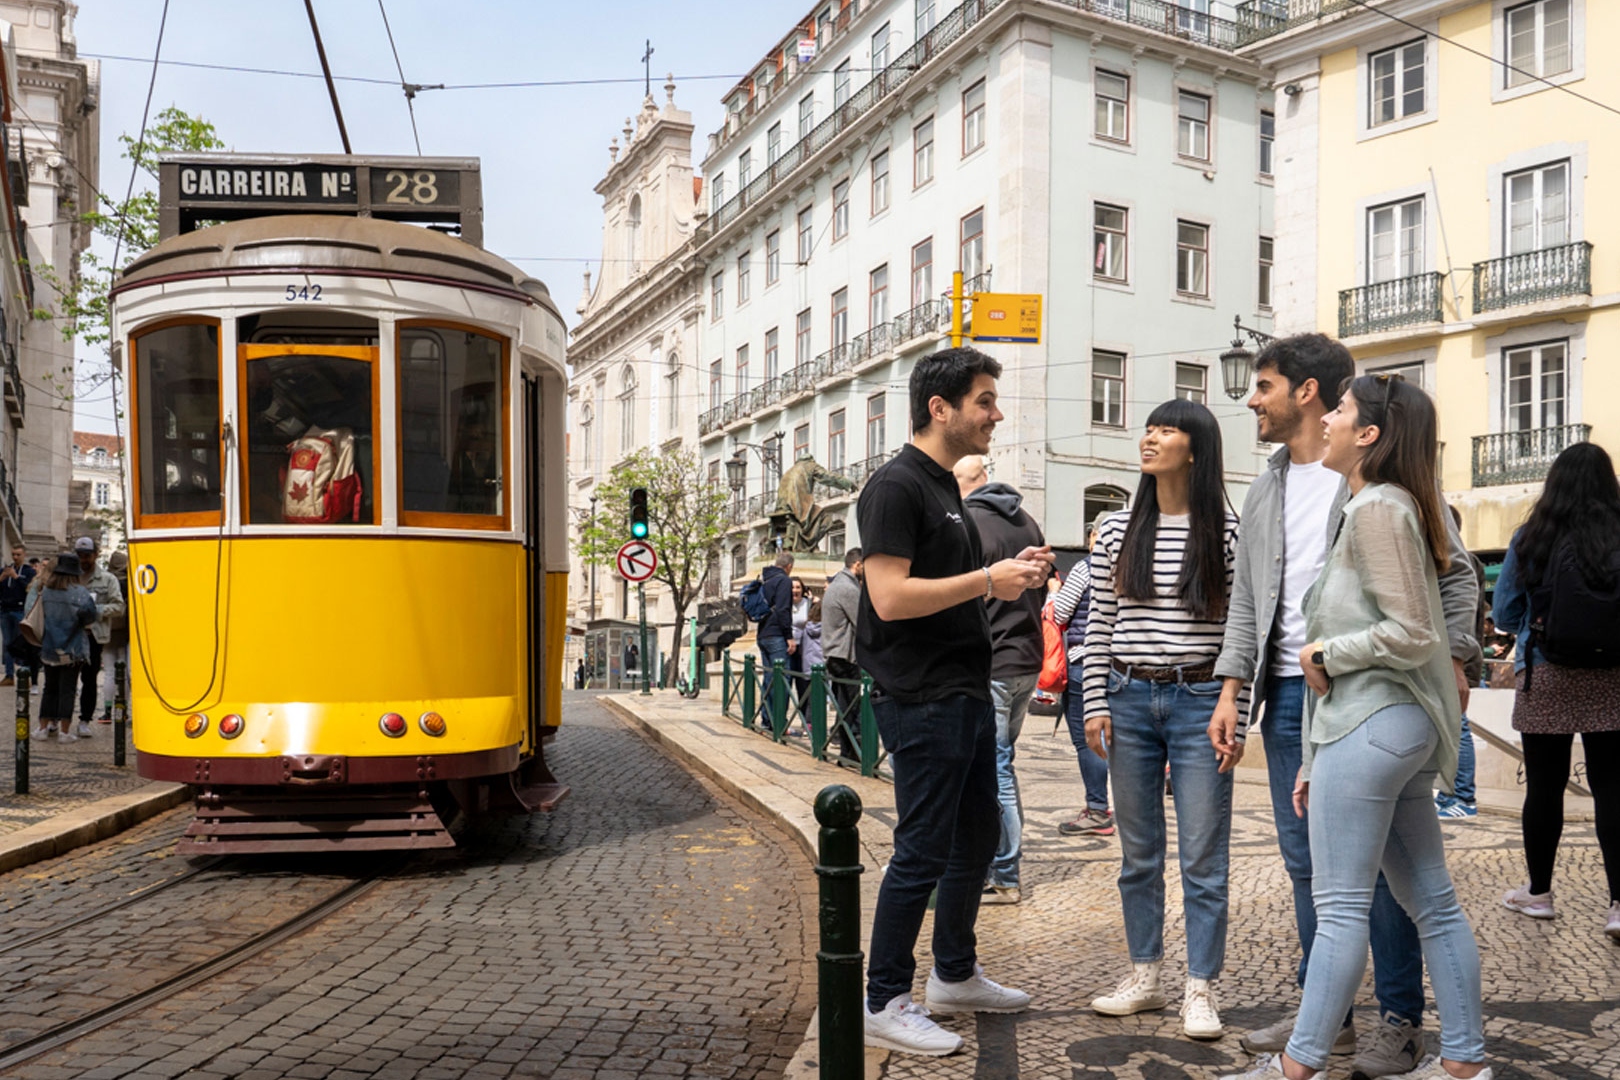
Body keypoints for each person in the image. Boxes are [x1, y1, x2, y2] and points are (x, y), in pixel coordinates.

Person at [1209, 335, 1480, 1078]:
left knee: (1347, 899)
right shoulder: (1271, 485)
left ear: (1314, 397)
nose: (1252, 399)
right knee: (1350, 879)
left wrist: (1445, 660)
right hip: (1316, 701)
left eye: (1262, 385)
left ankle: (1354, 1039)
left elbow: (1437, 598)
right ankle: (1441, 1057)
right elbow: (1249, 602)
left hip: (1361, 697)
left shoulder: (1372, 499)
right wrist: (1237, 687)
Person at [858, 346, 1050, 1056]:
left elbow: (955, 583)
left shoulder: (945, 489)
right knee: (923, 847)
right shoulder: (896, 487)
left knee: (974, 838)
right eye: (984, 400)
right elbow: (888, 595)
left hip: (965, 689)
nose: (996, 414)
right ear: (939, 408)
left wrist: (1010, 575)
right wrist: (986, 580)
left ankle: (955, 973)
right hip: (923, 695)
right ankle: (882, 997)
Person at [1082, 398, 1243, 1042]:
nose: (1149, 437)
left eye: (1166, 429)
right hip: (1127, 696)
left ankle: (1200, 987)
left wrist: (1237, 702)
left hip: (1201, 700)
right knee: (1138, 853)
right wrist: (1094, 698)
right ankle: (1145, 974)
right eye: (1147, 427)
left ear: (1196, 450)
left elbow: (1240, 628)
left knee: (1204, 855)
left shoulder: (1227, 533)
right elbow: (1099, 622)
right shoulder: (1118, 528)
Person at [1491, 441, 1620, 940]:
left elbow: (1503, 616)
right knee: (1614, 788)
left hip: (1546, 673)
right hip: (1614, 678)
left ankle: (1539, 893)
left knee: (1544, 786)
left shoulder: (1533, 536)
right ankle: (1617, 904)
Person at [957, 454, 1048, 905]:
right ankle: (990, 863)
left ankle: (1005, 874)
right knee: (1000, 761)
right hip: (1026, 659)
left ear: (962, 482)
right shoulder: (1027, 522)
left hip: (990, 660)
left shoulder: (968, 523)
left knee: (996, 768)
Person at [1055, 513, 1113, 837]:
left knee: (1088, 740)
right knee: (1109, 738)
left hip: (1083, 662)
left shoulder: (1085, 568)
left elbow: (1061, 611)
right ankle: (1103, 806)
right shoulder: (1128, 568)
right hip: (1116, 665)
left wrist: (1052, 597)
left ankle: (1097, 809)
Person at [1435, 506, 1482, 820]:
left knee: (1457, 724)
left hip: (1454, 655)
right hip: (1454, 654)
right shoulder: (1468, 561)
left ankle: (1462, 796)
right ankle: (1452, 793)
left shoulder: (1461, 563)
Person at [26, 553, 96, 741]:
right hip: (73, 649)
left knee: (49, 688)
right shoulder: (81, 593)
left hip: (49, 647)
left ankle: (42, 728)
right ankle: (65, 731)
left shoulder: (46, 591)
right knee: (68, 690)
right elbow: (90, 616)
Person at [74, 537, 124, 739]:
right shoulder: (69, 577)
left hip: (94, 635)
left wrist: (97, 610)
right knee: (67, 680)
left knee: (89, 679)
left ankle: (85, 720)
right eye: (79, 555)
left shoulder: (107, 579)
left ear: (95, 555)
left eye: (87, 555)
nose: (83, 560)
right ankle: (61, 721)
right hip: (71, 635)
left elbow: (119, 607)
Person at [821, 547, 864, 763]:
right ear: (857, 565)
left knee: (844, 704)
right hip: (844, 655)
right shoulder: (848, 588)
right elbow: (862, 622)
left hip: (832, 654)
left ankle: (846, 753)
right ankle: (852, 753)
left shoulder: (836, 584)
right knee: (852, 705)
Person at [755, 552, 794, 730]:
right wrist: (789, 636)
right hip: (777, 635)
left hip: (762, 634)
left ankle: (767, 720)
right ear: (789, 567)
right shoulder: (784, 581)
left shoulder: (765, 579)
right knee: (782, 679)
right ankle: (779, 722)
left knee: (769, 678)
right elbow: (784, 610)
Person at [98, 550, 130, 721]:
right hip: (127, 631)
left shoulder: (106, 581)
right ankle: (123, 710)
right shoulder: (130, 582)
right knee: (124, 672)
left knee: (109, 671)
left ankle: (108, 711)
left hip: (108, 630)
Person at [0, 543, 35, 685]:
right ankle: (9, 675)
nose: (15, 557)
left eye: (18, 555)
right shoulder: (4, 570)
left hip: (20, 610)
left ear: (24, 555)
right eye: (13, 554)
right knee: (8, 643)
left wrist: (16, 577)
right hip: (5, 610)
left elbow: (29, 588)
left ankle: (24, 674)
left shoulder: (28, 572)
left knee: (22, 643)